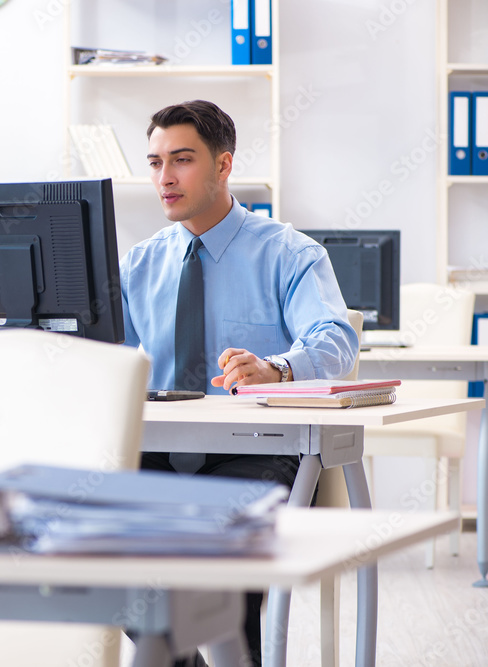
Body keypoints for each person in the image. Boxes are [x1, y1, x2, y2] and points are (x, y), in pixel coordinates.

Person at [119, 100, 358, 666]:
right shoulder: (139, 265)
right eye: (154, 163)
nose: (165, 178)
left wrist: (277, 367)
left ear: (224, 165)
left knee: (227, 575)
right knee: (94, 546)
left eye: (181, 160)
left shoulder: (288, 252)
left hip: (254, 451)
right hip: (157, 450)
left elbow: (336, 338)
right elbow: (107, 356)